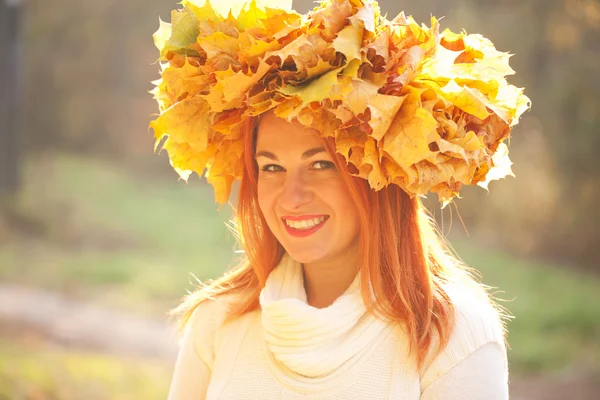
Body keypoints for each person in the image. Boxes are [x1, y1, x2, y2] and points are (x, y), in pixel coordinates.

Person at [149, 0, 530, 399]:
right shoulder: (218, 321)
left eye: (322, 165)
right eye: (272, 168)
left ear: (379, 174)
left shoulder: (451, 336)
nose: (291, 198)